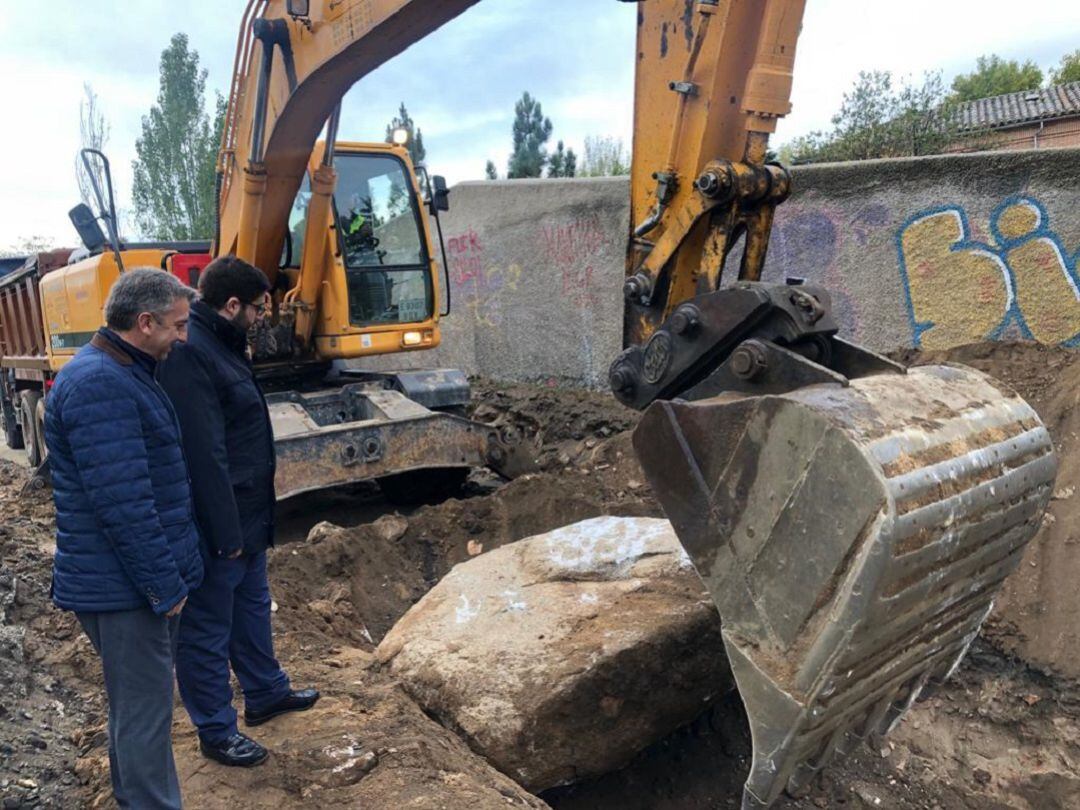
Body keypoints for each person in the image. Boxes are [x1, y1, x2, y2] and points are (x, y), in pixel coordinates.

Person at [45, 268, 203, 810]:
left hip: (130, 582)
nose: (183, 337)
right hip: (125, 590)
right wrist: (165, 585)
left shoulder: (123, 371)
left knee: (139, 710)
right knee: (144, 714)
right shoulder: (100, 384)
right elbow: (124, 504)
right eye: (178, 326)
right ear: (144, 322)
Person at [157, 256, 319, 768]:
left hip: (248, 511)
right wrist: (225, 533)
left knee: (252, 607)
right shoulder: (193, 354)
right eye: (257, 308)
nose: (262, 318)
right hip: (220, 521)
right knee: (207, 626)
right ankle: (216, 730)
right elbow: (205, 454)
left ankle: (266, 692)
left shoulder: (223, 343)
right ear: (232, 305)